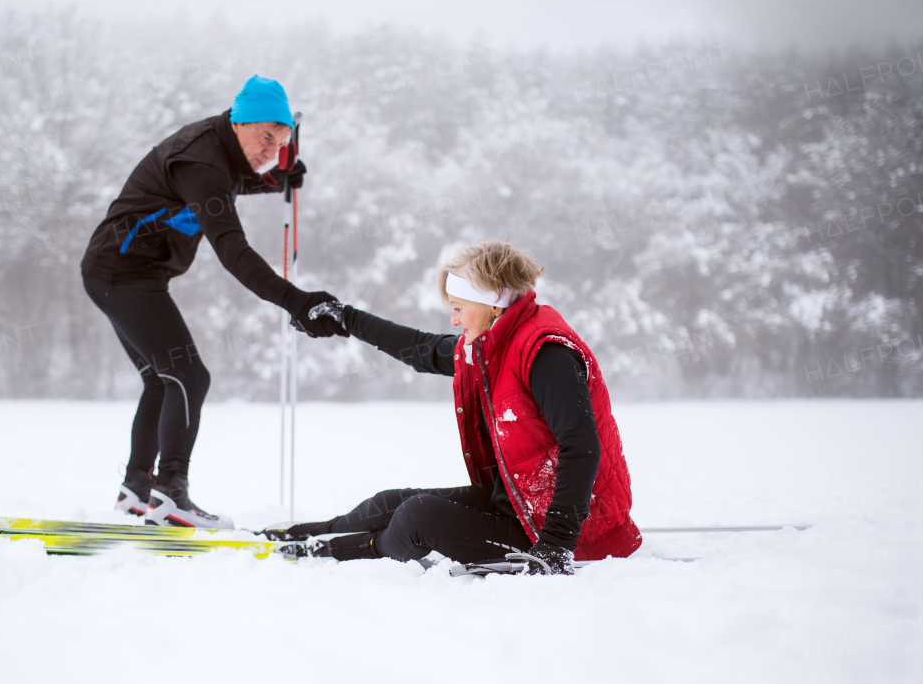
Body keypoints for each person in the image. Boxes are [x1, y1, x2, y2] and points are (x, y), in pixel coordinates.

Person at [270, 241, 642, 574]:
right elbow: (420, 348)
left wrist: (556, 547)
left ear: (493, 300)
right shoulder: (492, 346)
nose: (454, 319)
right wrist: (344, 317)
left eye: (459, 307)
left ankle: (326, 553)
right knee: (390, 504)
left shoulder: (546, 353)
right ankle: (299, 535)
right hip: (520, 503)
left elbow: (583, 448)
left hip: (564, 532)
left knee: (418, 518)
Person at [81, 75, 347, 530]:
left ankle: (136, 493)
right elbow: (232, 248)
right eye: (267, 137)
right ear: (239, 122)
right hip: (123, 273)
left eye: (282, 143)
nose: (273, 151)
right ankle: (170, 495)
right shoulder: (201, 158)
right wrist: (295, 300)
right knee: (188, 375)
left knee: (164, 381)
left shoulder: (219, 151)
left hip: (125, 272)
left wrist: (273, 179)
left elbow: (227, 184)